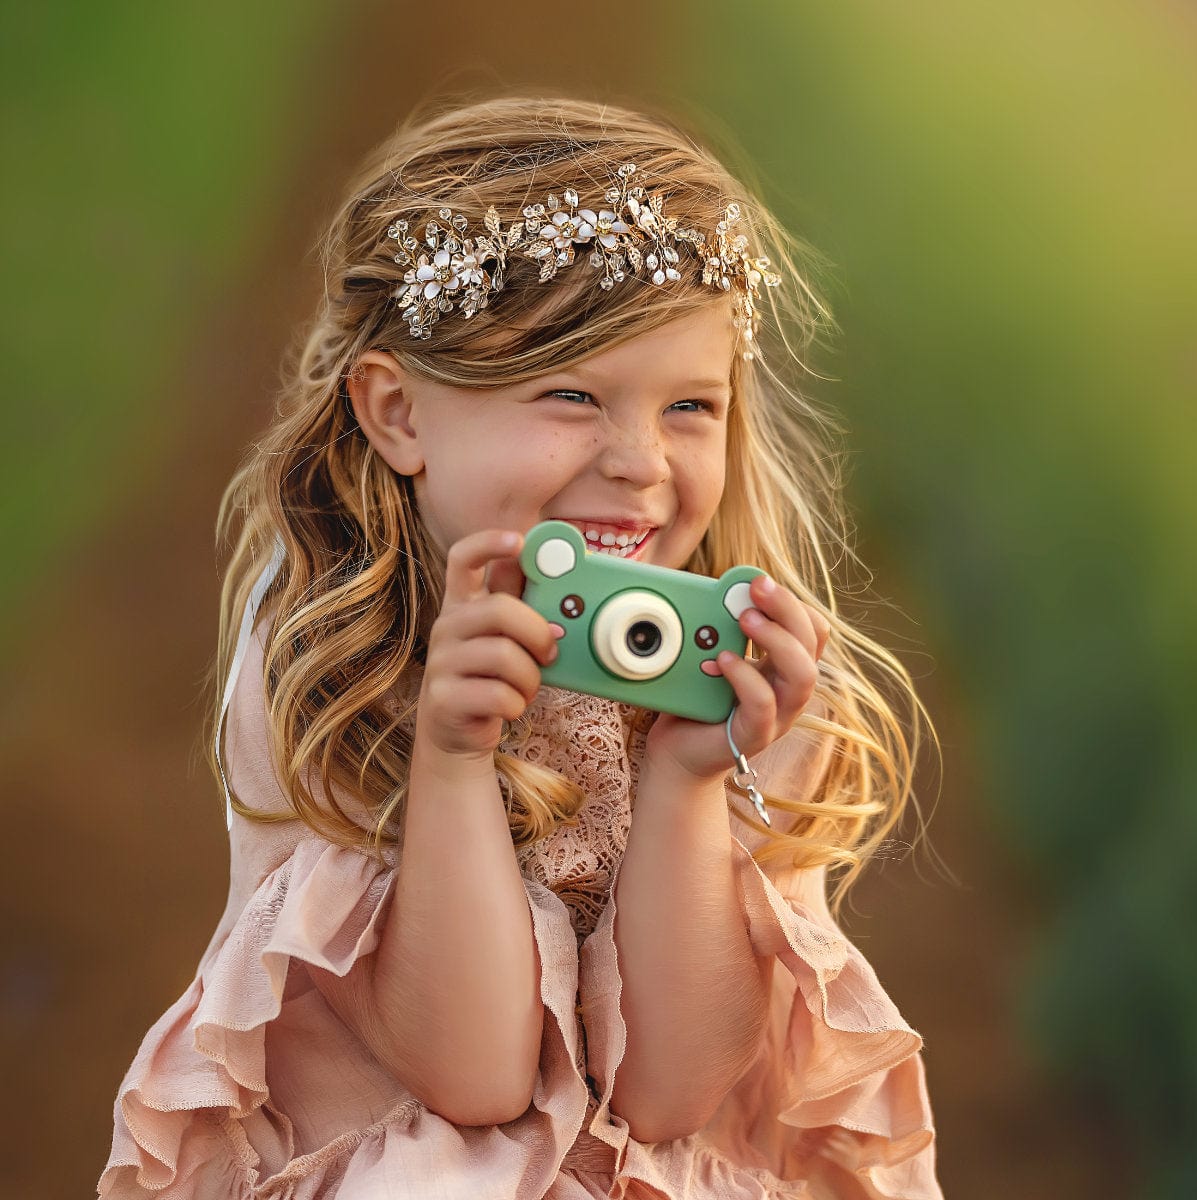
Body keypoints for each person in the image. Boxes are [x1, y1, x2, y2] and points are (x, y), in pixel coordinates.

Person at [100, 95, 942, 1199]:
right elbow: (474, 1079)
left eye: (691, 406)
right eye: (570, 395)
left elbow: (670, 1095)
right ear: (398, 415)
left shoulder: (741, 680)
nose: (640, 462)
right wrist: (450, 760)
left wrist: (689, 777)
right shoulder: (335, 665)